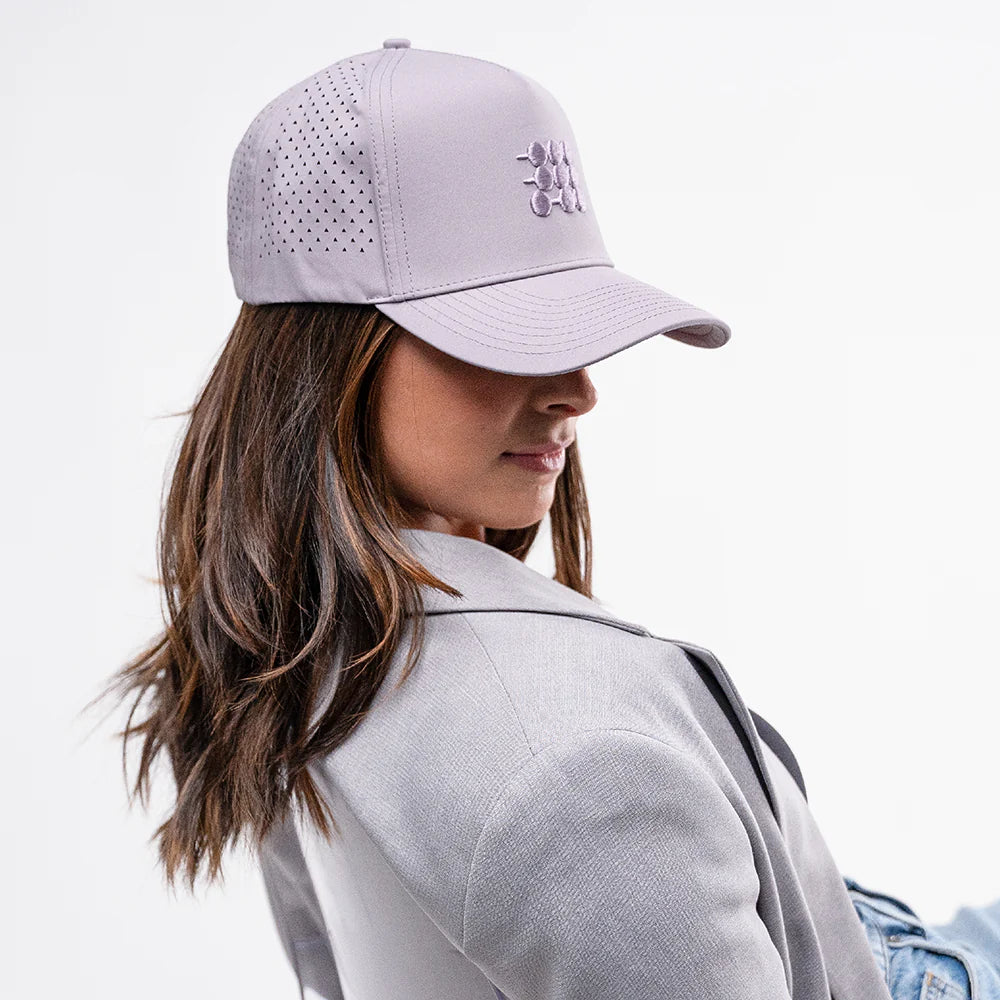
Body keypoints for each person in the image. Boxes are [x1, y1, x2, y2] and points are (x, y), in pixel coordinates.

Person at [95, 38, 1000, 1000]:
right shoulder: (578, 771)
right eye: (503, 331)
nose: (579, 389)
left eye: (573, 324)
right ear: (332, 357)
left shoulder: (285, 648)